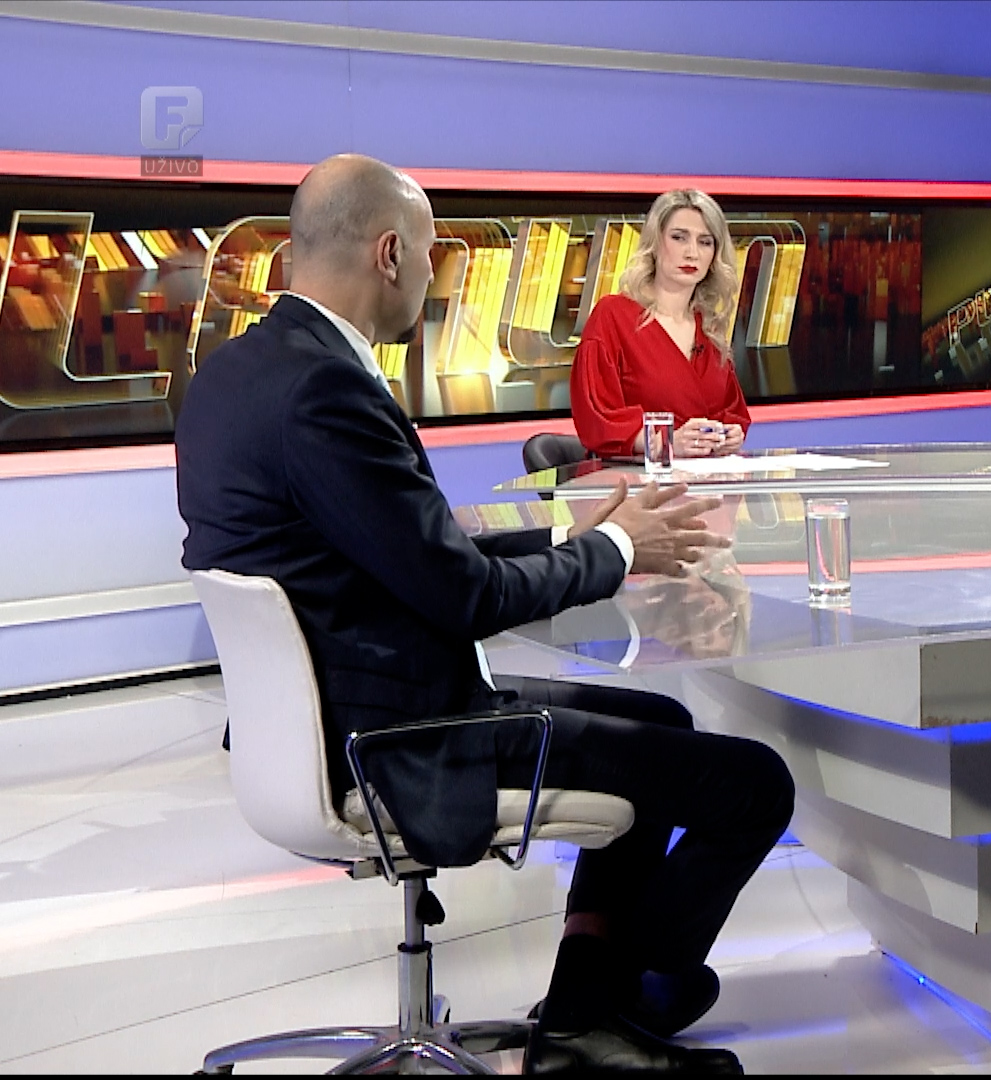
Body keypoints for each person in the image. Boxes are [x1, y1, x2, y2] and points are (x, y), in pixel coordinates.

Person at [175, 154, 793, 1074]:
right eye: (432, 254)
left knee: (660, 719)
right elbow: (465, 597)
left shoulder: (236, 374)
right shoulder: (327, 392)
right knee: (753, 786)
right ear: (390, 252)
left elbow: (416, 551)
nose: (434, 276)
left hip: (332, 712)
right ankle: (621, 994)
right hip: (403, 735)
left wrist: (578, 534)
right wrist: (614, 553)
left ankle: (586, 1012)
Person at [572, 189, 750, 461]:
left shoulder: (709, 328)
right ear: (655, 242)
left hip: (703, 478)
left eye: (705, 242)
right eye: (679, 238)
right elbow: (597, 417)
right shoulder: (613, 316)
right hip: (633, 480)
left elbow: (730, 409)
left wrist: (729, 435)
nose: (692, 253)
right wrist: (665, 442)